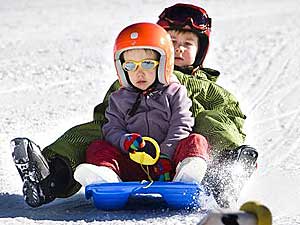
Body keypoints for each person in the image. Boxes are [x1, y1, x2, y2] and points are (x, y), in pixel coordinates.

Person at [10, 3, 257, 208]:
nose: (179, 48)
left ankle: (224, 175)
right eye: (171, 40)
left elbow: (230, 115)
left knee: (209, 123)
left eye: (188, 43)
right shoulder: (131, 81)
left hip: (180, 154)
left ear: (201, 50)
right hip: (131, 151)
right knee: (93, 133)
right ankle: (53, 176)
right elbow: (105, 115)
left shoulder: (207, 87)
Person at [74, 22, 209, 187]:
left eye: (147, 64)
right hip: (133, 162)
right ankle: (107, 175)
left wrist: (165, 156)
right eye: (130, 65)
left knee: (196, 140)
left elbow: (181, 125)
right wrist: (125, 141)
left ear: (163, 64)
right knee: (97, 146)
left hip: (168, 165)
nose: (139, 72)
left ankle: (187, 175)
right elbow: (112, 129)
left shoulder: (175, 92)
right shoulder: (119, 98)